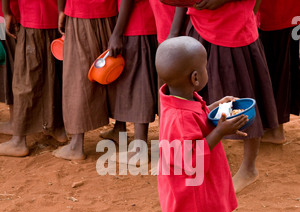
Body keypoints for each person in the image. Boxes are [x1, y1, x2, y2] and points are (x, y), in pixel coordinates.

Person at [118, 36, 248, 212]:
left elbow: (195, 122)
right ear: (195, 78)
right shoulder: (180, 115)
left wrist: (215, 109)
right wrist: (219, 132)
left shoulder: (177, 100)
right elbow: (190, 155)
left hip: (182, 185)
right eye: (205, 67)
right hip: (197, 186)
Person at [168, 0, 279, 193]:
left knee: (243, 99)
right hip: (199, 27)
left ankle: (249, 168)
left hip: (235, 30)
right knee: (196, 96)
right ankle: (198, 159)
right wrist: (174, 31)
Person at [53, 0, 118, 160]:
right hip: (109, 12)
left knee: (78, 76)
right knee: (110, 70)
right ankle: (120, 128)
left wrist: (61, 10)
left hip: (80, 11)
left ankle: (76, 144)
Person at [0, 0, 67, 157]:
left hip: (32, 14)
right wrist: (62, 11)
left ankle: (18, 141)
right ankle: (57, 127)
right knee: (53, 73)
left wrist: (7, 12)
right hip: (54, 15)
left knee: (24, 79)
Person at [99, 0, 158, 165]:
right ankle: (120, 128)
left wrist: (117, 33)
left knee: (139, 83)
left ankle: (139, 149)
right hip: (144, 22)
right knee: (130, 81)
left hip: (136, 25)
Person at [256, 0, 300, 144]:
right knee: (285, 65)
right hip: (290, 14)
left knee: (274, 69)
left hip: (276, 15)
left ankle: (275, 129)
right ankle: (273, 127)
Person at [0, 0, 19, 135]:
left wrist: (6, 12)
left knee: (8, 66)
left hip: (5, 16)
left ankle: (15, 121)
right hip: (5, 15)